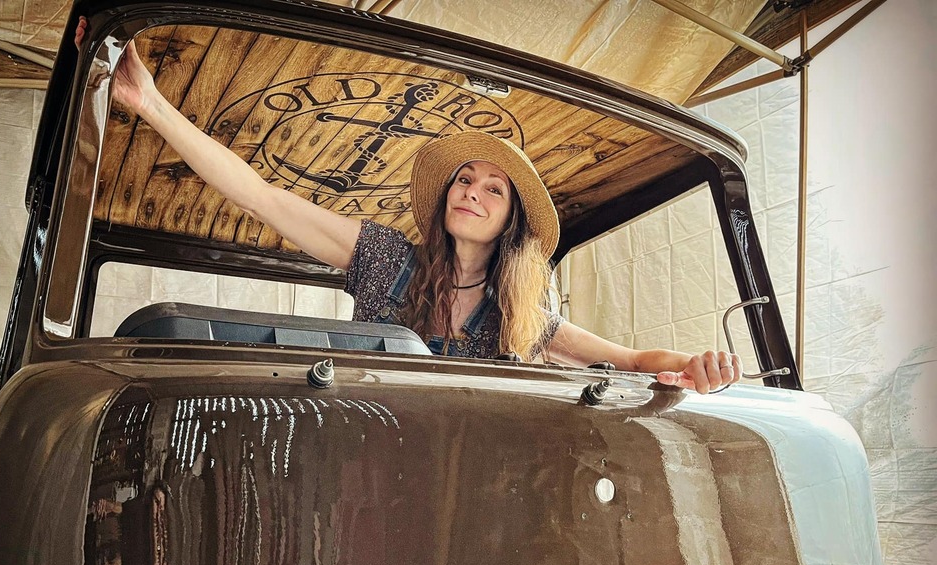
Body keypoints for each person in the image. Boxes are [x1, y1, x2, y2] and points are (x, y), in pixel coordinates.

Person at [74, 19, 741, 393]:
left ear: (512, 220)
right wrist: (152, 105)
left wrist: (697, 370)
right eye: (463, 179)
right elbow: (264, 196)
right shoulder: (385, 257)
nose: (470, 192)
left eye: (492, 188)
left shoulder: (522, 315)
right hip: (363, 453)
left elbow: (627, 361)